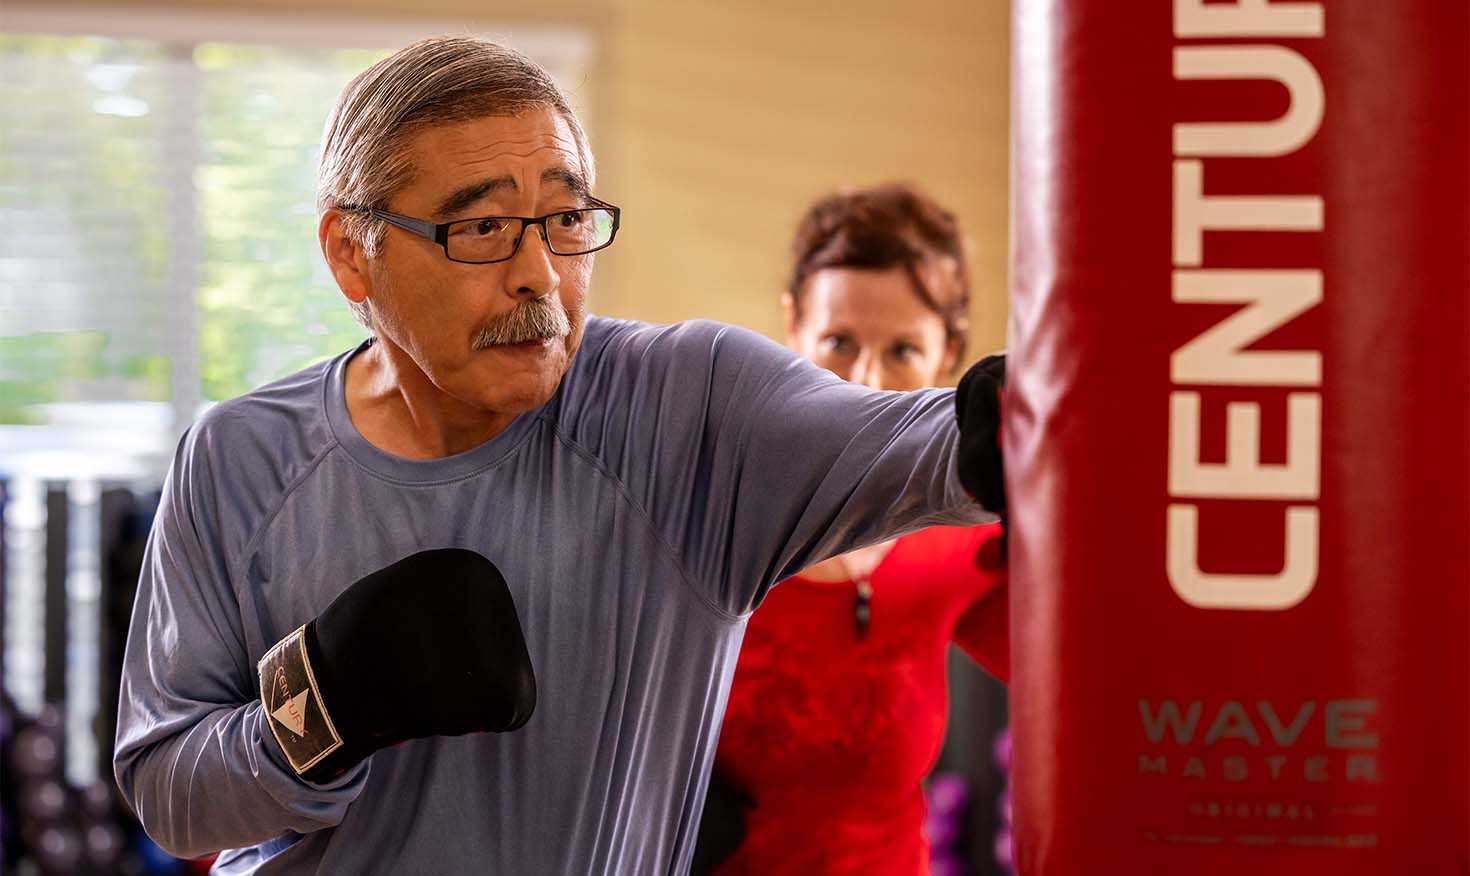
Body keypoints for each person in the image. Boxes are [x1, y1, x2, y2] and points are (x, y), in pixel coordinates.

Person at [112, 37, 1005, 875]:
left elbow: (926, 444)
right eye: (485, 229)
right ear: (354, 256)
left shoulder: (690, 409)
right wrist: (323, 710)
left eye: (567, 219)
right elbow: (168, 796)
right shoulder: (236, 460)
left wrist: (1026, 415)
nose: (540, 272)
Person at [693, 184, 1008, 876]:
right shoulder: (704, 526)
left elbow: (1107, 682)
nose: (865, 382)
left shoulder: (964, 542)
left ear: (948, 355)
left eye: (902, 350)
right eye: (838, 342)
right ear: (792, 331)